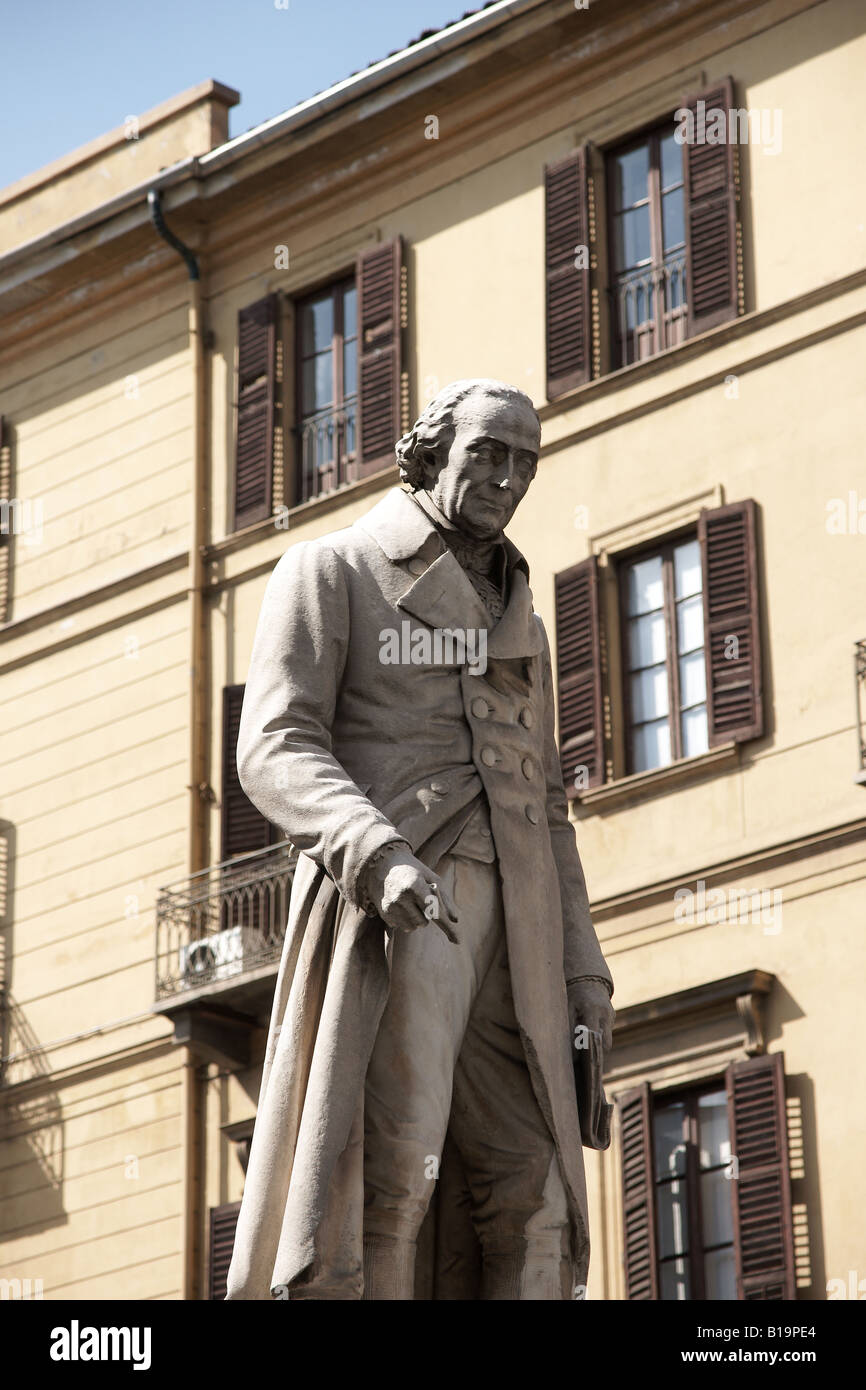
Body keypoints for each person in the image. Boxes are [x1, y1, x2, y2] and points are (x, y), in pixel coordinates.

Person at [225, 379, 614, 1301]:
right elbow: (274, 745)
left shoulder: (525, 617)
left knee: (544, 1192)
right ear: (432, 450)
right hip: (404, 906)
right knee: (394, 1175)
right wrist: (370, 849)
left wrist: (585, 972)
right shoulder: (334, 570)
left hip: (523, 929)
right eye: (488, 453)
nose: (509, 477)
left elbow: (548, 807)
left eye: (526, 460)